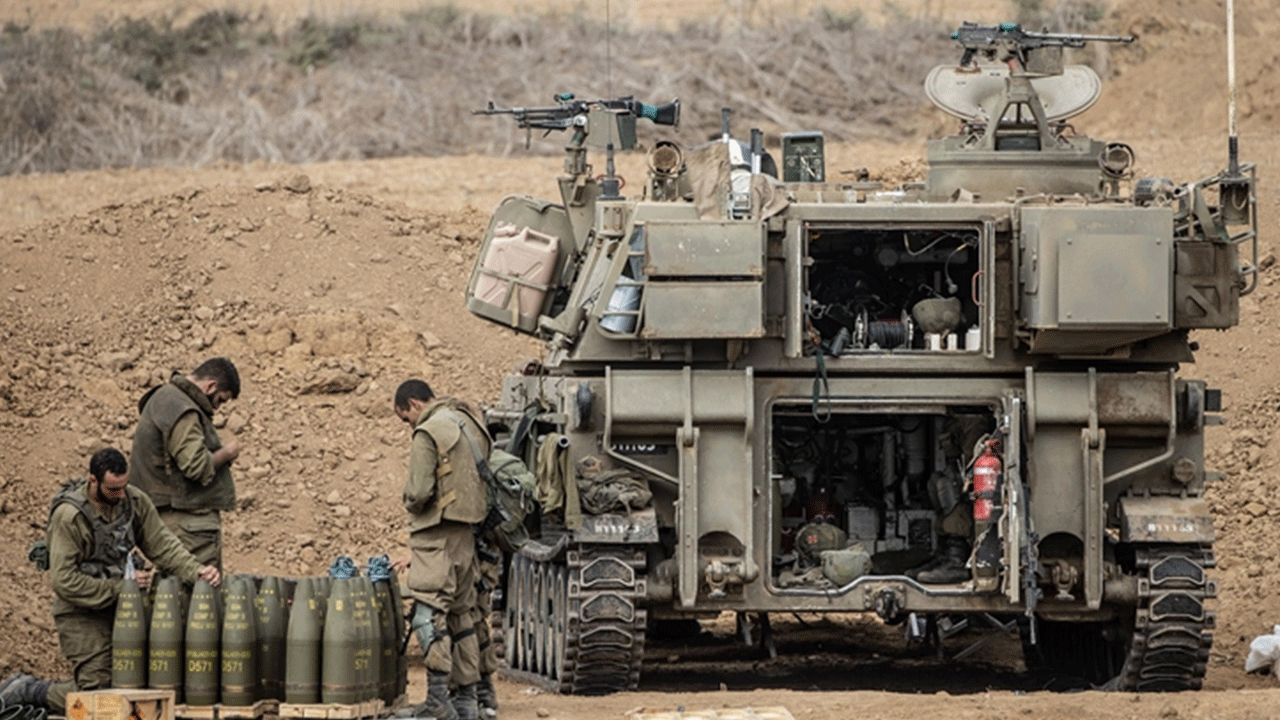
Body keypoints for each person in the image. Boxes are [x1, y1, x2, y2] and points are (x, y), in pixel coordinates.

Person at [0, 448, 221, 714]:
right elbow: (64, 581)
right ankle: (31, 691)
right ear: (93, 481)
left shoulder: (133, 502)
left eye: (124, 487)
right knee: (99, 696)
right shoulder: (70, 517)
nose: (121, 495)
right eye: (113, 489)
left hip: (123, 608)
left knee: (133, 682)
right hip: (80, 612)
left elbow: (161, 543)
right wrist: (120, 588)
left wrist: (195, 570)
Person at [393, 379, 489, 720]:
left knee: (428, 616)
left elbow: (418, 492)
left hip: (436, 538)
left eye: (406, 418)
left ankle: (436, 701)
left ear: (414, 405)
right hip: (466, 536)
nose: (410, 425)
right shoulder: (470, 422)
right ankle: (467, 702)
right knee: (462, 616)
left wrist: (408, 501)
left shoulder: (428, 431)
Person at [129, 357, 242, 572]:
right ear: (211, 386)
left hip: (171, 520)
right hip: (188, 526)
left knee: (174, 596)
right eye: (220, 400)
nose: (217, 408)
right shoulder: (183, 408)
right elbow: (196, 466)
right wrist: (227, 453)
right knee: (198, 597)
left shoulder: (165, 397)